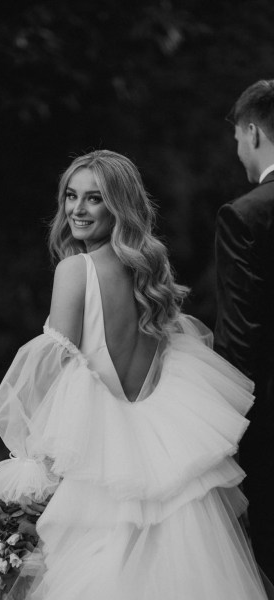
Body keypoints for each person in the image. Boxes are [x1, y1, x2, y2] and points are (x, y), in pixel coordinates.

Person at [0, 150, 271, 599]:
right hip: (163, 442)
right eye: (71, 197)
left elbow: (55, 371)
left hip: (104, 449)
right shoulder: (148, 273)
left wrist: (38, 457)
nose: (77, 209)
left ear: (119, 206)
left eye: (93, 198)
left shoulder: (75, 270)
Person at [214, 79, 274, 584]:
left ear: (253, 132)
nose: (238, 150)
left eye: (237, 137)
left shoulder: (247, 216)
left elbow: (241, 336)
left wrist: (221, 423)